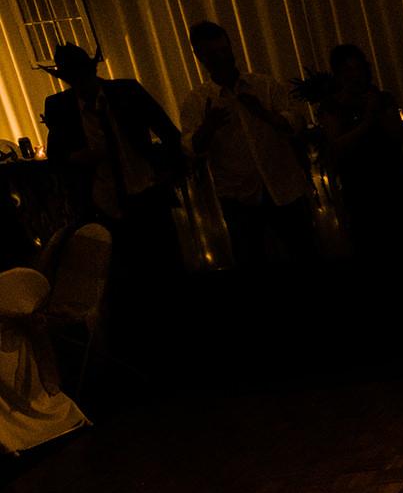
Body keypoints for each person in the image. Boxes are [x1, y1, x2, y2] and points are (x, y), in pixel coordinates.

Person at [42, 43, 186, 348]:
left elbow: (169, 131)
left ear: (93, 71)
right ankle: (144, 347)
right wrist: (75, 157)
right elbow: (55, 156)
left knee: (167, 274)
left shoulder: (126, 93)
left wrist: (172, 172)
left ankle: (178, 341)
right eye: (74, 79)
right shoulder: (60, 107)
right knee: (125, 282)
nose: (82, 84)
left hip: (146, 192)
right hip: (105, 204)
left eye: (84, 76)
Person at [180, 21, 317, 267]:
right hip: (238, 198)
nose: (221, 57)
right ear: (199, 57)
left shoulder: (264, 85)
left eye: (224, 50)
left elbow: (297, 124)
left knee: (305, 256)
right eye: (212, 53)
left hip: (283, 188)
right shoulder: (196, 101)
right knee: (251, 265)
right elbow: (191, 148)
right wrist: (209, 126)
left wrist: (263, 114)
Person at [318, 43, 403, 264]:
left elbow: (400, 136)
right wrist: (365, 123)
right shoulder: (332, 106)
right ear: (339, 75)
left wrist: (378, 112)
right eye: (348, 70)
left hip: (393, 181)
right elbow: (337, 147)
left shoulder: (382, 99)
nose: (355, 75)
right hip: (361, 187)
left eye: (359, 68)